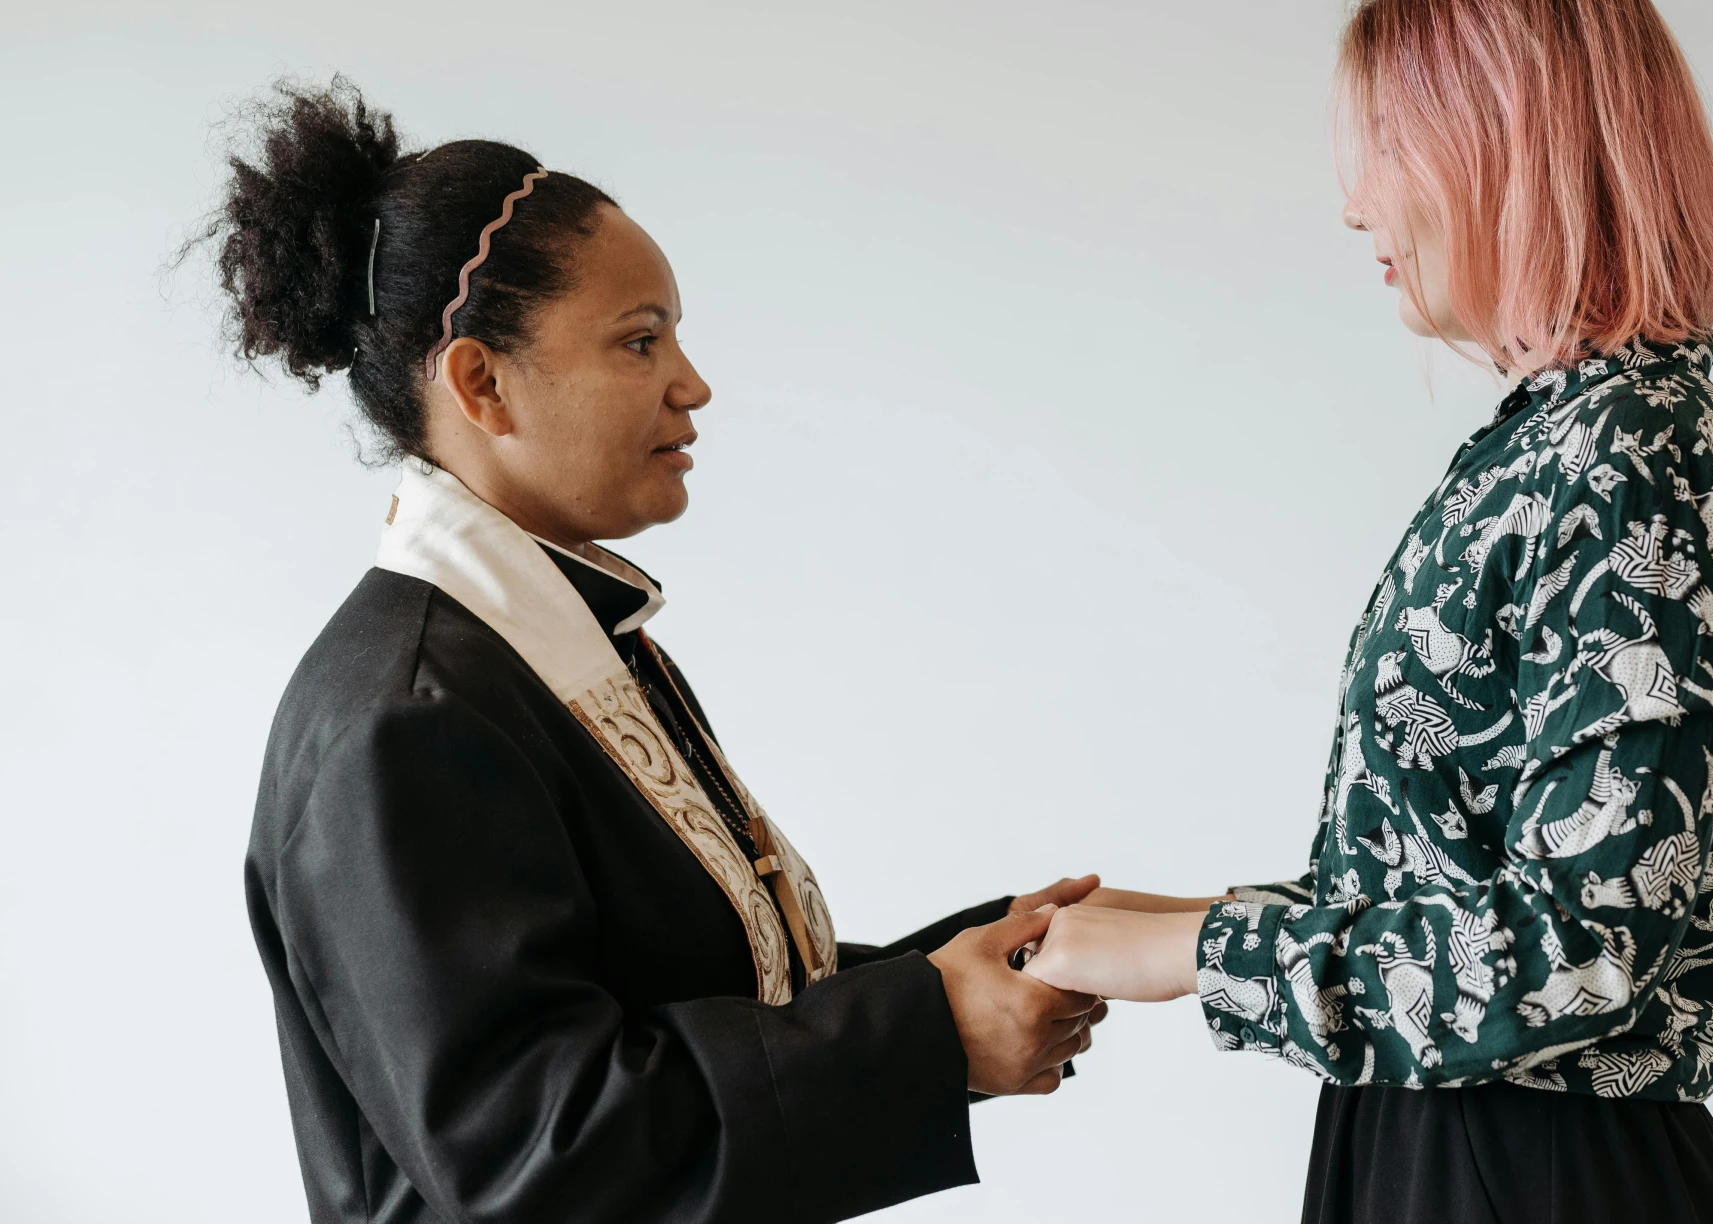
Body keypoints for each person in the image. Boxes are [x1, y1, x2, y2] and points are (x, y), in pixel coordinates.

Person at [208, 82, 1107, 1224]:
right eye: (641, 340)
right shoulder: (410, 715)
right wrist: (930, 1032)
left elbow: (714, 994)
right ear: (482, 382)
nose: (694, 383)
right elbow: (540, 1155)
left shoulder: (548, 642)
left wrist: (990, 960)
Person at [1026, 0, 1713, 1222]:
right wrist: (1195, 916)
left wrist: (1198, 951)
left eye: (1386, 144)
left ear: (1506, 147)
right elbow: (1458, 883)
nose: (1353, 202)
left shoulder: (1628, 442)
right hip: (1451, 1147)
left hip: (1527, 1168)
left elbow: (1586, 948)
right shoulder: (1552, 441)